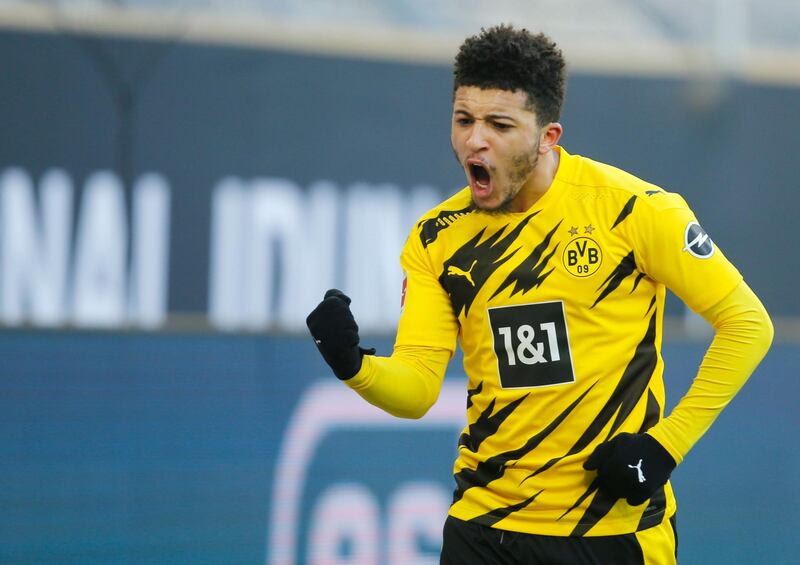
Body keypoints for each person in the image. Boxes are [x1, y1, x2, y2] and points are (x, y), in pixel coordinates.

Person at [306, 25, 773, 564]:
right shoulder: (438, 238)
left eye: (499, 124)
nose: (475, 140)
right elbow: (416, 389)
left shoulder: (635, 211)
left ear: (548, 136)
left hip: (610, 532)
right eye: (464, 120)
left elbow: (747, 324)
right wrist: (353, 366)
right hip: (482, 529)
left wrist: (665, 445)